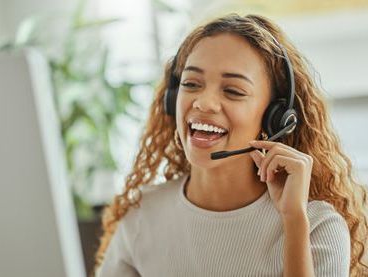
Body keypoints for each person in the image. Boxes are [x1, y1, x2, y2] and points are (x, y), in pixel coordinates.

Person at [93, 14, 368, 276]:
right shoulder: (144, 215)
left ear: (276, 118)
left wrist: (293, 220)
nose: (203, 103)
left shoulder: (316, 225)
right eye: (191, 83)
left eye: (233, 91)